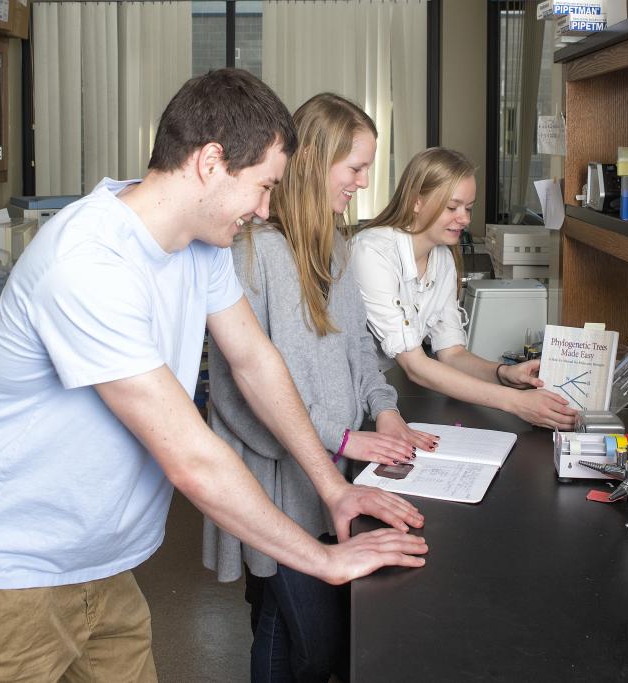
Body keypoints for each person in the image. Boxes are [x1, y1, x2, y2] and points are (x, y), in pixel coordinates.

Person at [0, 70, 428, 683]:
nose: (266, 208)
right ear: (211, 162)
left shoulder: (198, 244)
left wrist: (334, 489)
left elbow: (254, 360)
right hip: (3, 583)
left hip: (102, 573)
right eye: (262, 186)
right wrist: (322, 558)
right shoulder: (90, 262)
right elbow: (190, 456)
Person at [203, 93, 437, 682]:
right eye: (355, 167)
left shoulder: (334, 247)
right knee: (309, 643)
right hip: (278, 483)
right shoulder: (251, 253)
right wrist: (339, 440)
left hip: (330, 473)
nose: (363, 182)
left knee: (294, 633)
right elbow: (233, 395)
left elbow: (359, 349)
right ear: (311, 161)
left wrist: (383, 413)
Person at [350, 147, 577, 430]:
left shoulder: (442, 258)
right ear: (417, 201)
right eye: (452, 207)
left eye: (468, 208)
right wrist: (517, 403)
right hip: (349, 399)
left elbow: (451, 353)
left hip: (383, 400)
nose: (465, 219)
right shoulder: (372, 252)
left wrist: (503, 373)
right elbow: (415, 366)